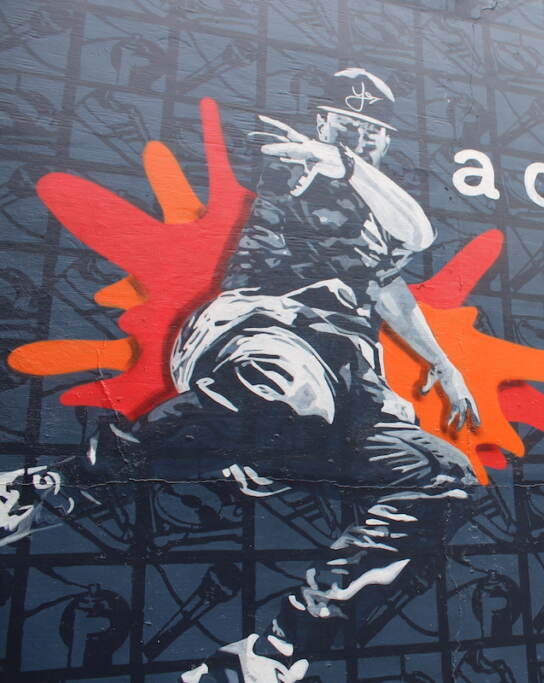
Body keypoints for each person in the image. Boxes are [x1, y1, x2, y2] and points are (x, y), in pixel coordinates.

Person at [2, 68, 481, 682]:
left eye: (373, 133)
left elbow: (388, 283)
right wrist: (332, 161)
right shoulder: (284, 149)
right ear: (321, 120)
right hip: (264, 330)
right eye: (348, 126)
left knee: (446, 476)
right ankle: (50, 487)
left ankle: (275, 651)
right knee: (292, 393)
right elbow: (418, 230)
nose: (360, 141)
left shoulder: (372, 198)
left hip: (348, 376)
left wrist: (441, 364)